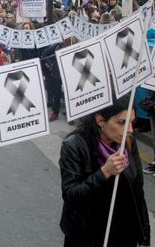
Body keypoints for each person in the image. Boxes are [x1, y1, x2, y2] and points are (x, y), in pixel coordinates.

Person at [59, 95, 150, 247]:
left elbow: (138, 193)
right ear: (100, 120)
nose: (130, 130)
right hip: (89, 234)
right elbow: (71, 195)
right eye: (122, 122)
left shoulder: (128, 142)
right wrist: (104, 172)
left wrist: (144, 237)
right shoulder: (74, 146)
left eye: (131, 122)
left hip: (124, 231)